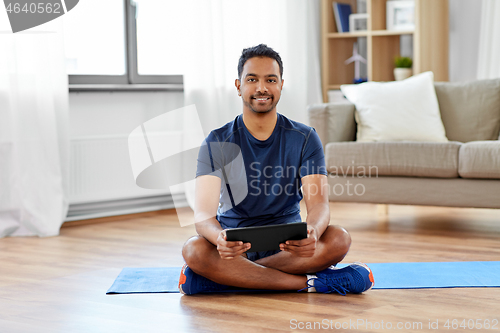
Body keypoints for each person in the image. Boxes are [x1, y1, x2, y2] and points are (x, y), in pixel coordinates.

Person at [179, 44, 374, 295]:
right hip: (235, 247)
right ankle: (311, 283)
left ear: (281, 84)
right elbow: (204, 216)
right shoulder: (216, 141)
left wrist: (313, 231)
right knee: (193, 250)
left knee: (339, 238)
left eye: (270, 79)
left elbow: (319, 206)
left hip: (289, 247)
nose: (262, 88)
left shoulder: (305, 137)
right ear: (238, 86)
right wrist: (218, 238)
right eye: (252, 80)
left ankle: (225, 279)